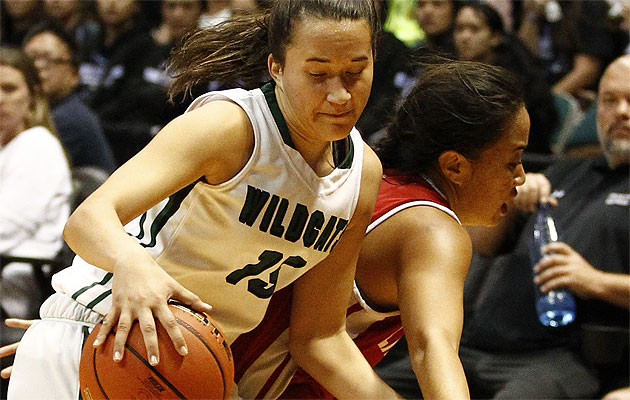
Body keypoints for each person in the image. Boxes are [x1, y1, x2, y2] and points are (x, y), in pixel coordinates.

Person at [5, 1, 402, 399]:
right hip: (109, 326)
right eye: (318, 73)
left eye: (355, 72)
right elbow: (88, 219)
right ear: (276, 68)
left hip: (192, 357)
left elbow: (321, 337)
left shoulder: (362, 173)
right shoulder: (230, 127)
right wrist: (130, 262)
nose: (339, 94)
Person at [199, 60, 529, 400]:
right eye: (513, 161)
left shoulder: (376, 184)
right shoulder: (434, 232)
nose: (520, 176)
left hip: (215, 363)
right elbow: (433, 347)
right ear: (454, 165)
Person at [460, 54, 630, 399]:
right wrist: (505, 195)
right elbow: (480, 244)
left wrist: (595, 281)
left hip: (562, 358)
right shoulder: (566, 170)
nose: (622, 111)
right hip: (475, 345)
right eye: (610, 100)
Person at [0, 47, 72, 392]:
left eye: (9, 89)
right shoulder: (7, 147)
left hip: (16, 283)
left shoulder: (37, 146)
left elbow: (7, 226)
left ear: (33, 95)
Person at [453, 1, 558, 155]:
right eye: (459, 29)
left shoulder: (513, 81)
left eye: (474, 29)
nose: (465, 37)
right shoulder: (455, 76)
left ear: (495, 37)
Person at [23, 25, 116, 173]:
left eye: (48, 59)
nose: (37, 65)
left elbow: (27, 171)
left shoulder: (69, 118)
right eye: (30, 58)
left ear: (74, 74)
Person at [517, 0, 628, 103]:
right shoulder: (543, 8)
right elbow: (523, 55)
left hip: (574, 98)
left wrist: (547, 102)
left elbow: (587, 71)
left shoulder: (589, 6)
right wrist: (531, 15)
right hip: (543, 89)